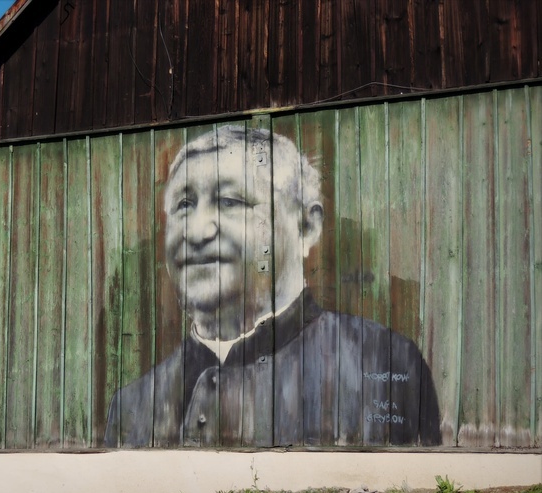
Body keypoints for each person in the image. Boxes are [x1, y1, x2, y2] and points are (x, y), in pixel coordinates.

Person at [105, 125, 440, 448]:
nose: (196, 231)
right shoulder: (132, 406)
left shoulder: (387, 364)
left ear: (307, 227)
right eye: (184, 205)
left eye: (229, 201)